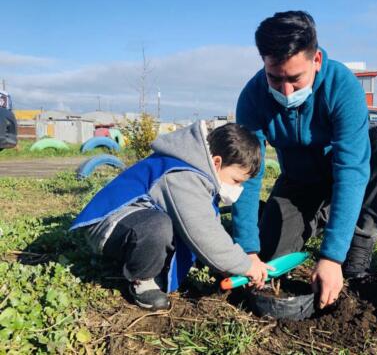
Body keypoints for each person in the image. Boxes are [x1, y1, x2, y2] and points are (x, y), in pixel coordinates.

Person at [232, 11, 377, 309]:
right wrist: (247, 248)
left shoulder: (342, 86)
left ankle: (358, 245)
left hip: (342, 174)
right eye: (275, 77)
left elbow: (351, 170)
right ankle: (318, 216)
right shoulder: (253, 97)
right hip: (300, 182)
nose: (285, 91)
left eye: (295, 79)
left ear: (317, 61)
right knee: (270, 256)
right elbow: (248, 173)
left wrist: (332, 256)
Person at [70, 122, 273, 310]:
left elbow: (209, 223)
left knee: (165, 225)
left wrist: (226, 267)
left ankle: (142, 258)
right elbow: (201, 231)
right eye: (236, 180)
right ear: (217, 163)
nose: (237, 188)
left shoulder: (200, 172)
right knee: (157, 226)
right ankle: (143, 280)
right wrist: (245, 265)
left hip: (135, 223)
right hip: (108, 225)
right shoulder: (182, 174)